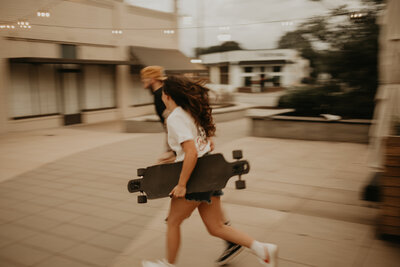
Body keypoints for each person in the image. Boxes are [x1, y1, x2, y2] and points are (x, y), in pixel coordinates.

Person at [142, 75, 278, 267]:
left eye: (163, 92)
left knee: (173, 221)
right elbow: (200, 146)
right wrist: (175, 155)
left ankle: (168, 265)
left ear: (168, 96)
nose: (161, 95)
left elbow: (191, 152)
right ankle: (262, 250)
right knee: (216, 227)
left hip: (196, 177)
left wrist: (181, 184)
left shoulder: (175, 118)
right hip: (209, 172)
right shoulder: (190, 113)